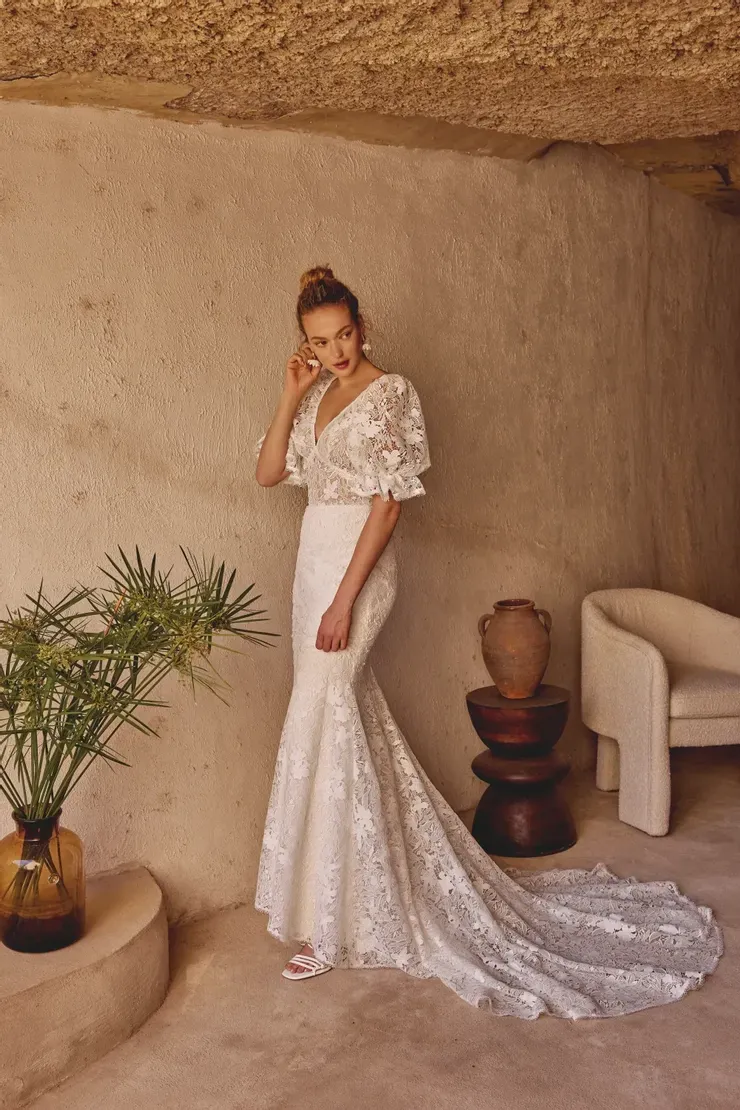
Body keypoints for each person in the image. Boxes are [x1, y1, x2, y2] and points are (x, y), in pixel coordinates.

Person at [254, 265, 722, 1017]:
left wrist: (344, 600)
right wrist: (288, 395)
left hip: (354, 572)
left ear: (362, 326)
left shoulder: (391, 392)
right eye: (319, 341)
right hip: (311, 564)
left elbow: (387, 509)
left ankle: (333, 924)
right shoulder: (313, 395)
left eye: (343, 335)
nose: (335, 351)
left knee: (329, 711)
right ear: (304, 345)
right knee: (332, 718)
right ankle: (341, 898)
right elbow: (269, 472)